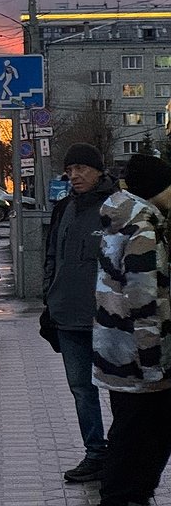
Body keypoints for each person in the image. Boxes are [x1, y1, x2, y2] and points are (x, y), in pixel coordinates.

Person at [93, 153, 171, 506]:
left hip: (116, 351)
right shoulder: (143, 230)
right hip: (139, 359)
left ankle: (125, 494)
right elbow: (143, 301)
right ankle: (124, 496)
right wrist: (153, 363)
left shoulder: (119, 221)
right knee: (141, 437)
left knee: (128, 432)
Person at [45, 142, 119, 483]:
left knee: (121, 387)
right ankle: (96, 453)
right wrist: (50, 298)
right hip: (67, 316)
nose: (74, 175)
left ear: (99, 171)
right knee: (81, 388)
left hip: (109, 319)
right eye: (70, 169)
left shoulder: (117, 208)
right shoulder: (63, 209)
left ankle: (122, 452)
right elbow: (51, 258)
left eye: (82, 169)